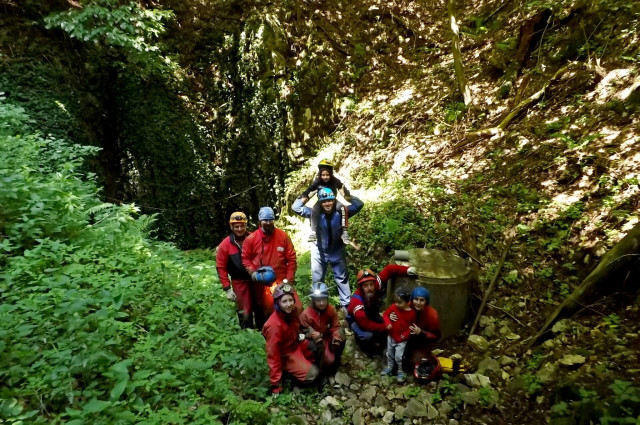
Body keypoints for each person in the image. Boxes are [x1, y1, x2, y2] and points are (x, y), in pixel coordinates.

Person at [292, 188, 364, 311]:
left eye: (330, 200)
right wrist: (310, 192)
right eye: (324, 201)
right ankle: (316, 308)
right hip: (319, 251)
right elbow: (296, 207)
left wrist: (345, 194)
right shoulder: (314, 213)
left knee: (342, 278)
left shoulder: (342, 212)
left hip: (337, 249)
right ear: (320, 202)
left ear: (334, 200)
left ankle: (347, 308)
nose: (327, 204)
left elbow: (359, 204)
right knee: (317, 280)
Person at [242, 206, 298, 329]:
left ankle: (293, 333)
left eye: (270, 220)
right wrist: (253, 273)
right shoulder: (251, 239)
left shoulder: (282, 236)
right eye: (265, 220)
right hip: (261, 282)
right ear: (260, 221)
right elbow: (245, 258)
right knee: (264, 310)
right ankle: (265, 334)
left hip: (281, 280)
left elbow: (292, 258)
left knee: (295, 307)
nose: (268, 223)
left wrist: (289, 279)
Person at [263, 282, 321, 396]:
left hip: (295, 345)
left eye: (290, 300)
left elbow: (296, 328)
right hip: (286, 355)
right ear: (277, 303)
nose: (289, 304)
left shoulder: (291, 314)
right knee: (313, 374)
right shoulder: (274, 325)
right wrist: (275, 385)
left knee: (317, 345)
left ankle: (306, 367)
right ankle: (292, 379)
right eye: (284, 301)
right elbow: (273, 355)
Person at [346, 265, 417, 354]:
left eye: (371, 284)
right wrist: (386, 327)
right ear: (361, 287)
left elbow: (389, 270)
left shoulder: (376, 285)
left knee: (386, 328)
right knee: (368, 336)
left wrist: (407, 270)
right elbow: (366, 324)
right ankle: (364, 345)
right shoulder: (357, 303)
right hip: (357, 320)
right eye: (365, 286)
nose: (369, 288)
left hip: (372, 313)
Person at [215, 212, 256, 329]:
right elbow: (220, 267)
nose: (239, 229)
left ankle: (264, 332)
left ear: (246, 226)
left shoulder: (253, 238)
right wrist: (227, 289)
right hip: (239, 282)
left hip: (257, 279)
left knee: (262, 307)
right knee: (245, 311)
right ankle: (247, 334)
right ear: (231, 227)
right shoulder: (225, 245)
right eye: (236, 226)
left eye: (242, 226)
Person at [299, 159, 352, 244]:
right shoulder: (317, 182)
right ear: (320, 174)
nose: (325, 177)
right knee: (314, 210)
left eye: (327, 175)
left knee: (342, 208)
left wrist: (347, 195)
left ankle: (344, 231)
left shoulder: (335, 181)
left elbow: (341, 187)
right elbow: (309, 189)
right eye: (323, 175)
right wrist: (304, 196)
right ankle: (313, 232)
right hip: (321, 202)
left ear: (331, 174)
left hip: (333, 201)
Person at [299, 282, 345, 378]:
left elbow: (336, 326)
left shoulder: (330, 310)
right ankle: (320, 373)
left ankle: (336, 362)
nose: (322, 303)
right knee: (326, 358)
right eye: (318, 300)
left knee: (341, 333)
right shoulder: (306, 314)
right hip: (314, 343)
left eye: (324, 299)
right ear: (313, 300)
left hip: (326, 337)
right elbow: (304, 331)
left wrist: (336, 338)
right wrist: (313, 334)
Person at [402, 286, 441, 373]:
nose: (418, 303)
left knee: (415, 362)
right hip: (407, 338)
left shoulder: (432, 315)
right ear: (412, 299)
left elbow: (437, 336)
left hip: (423, 342)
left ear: (426, 301)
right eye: (416, 299)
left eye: (422, 300)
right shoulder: (406, 307)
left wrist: (421, 332)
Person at [382, 287, 416, 383]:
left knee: (399, 356)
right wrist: (388, 323)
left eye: (400, 302)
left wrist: (405, 335)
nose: (397, 304)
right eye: (395, 301)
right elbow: (385, 314)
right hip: (391, 336)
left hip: (401, 339)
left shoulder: (411, 313)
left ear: (407, 301)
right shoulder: (393, 307)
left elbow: (411, 326)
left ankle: (400, 370)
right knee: (390, 353)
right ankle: (390, 366)